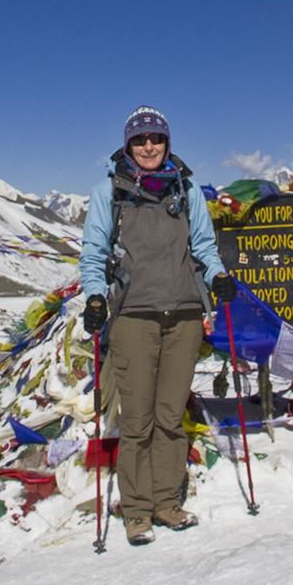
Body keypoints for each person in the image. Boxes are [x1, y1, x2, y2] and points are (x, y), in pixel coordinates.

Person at [79, 105, 236, 545]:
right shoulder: (108, 192)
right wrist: (95, 296)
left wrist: (217, 276)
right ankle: (136, 510)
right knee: (138, 419)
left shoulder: (185, 191)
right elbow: (93, 254)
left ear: (168, 142)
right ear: (128, 145)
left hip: (184, 315)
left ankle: (167, 504)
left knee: (171, 416)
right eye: (140, 139)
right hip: (133, 317)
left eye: (157, 138)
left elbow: (204, 246)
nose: (149, 146)